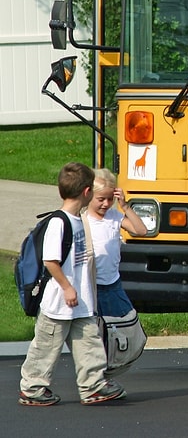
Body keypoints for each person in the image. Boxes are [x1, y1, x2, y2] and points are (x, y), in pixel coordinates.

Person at [19, 162, 125, 406]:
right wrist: (67, 287)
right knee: (46, 348)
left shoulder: (77, 220)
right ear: (87, 192)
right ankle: (32, 388)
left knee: (90, 344)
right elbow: (50, 261)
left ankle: (93, 386)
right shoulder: (59, 222)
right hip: (58, 302)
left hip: (80, 301)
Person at [86, 168, 147, 318]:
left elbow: (141, 231)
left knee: (126, 322)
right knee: (96, 329)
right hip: (92, 285)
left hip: (113, 284)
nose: (106, 204)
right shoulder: (83, 219)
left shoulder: (114, 216)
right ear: (89, 196)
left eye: (110, 199)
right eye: (101, 199)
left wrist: (125, 206)